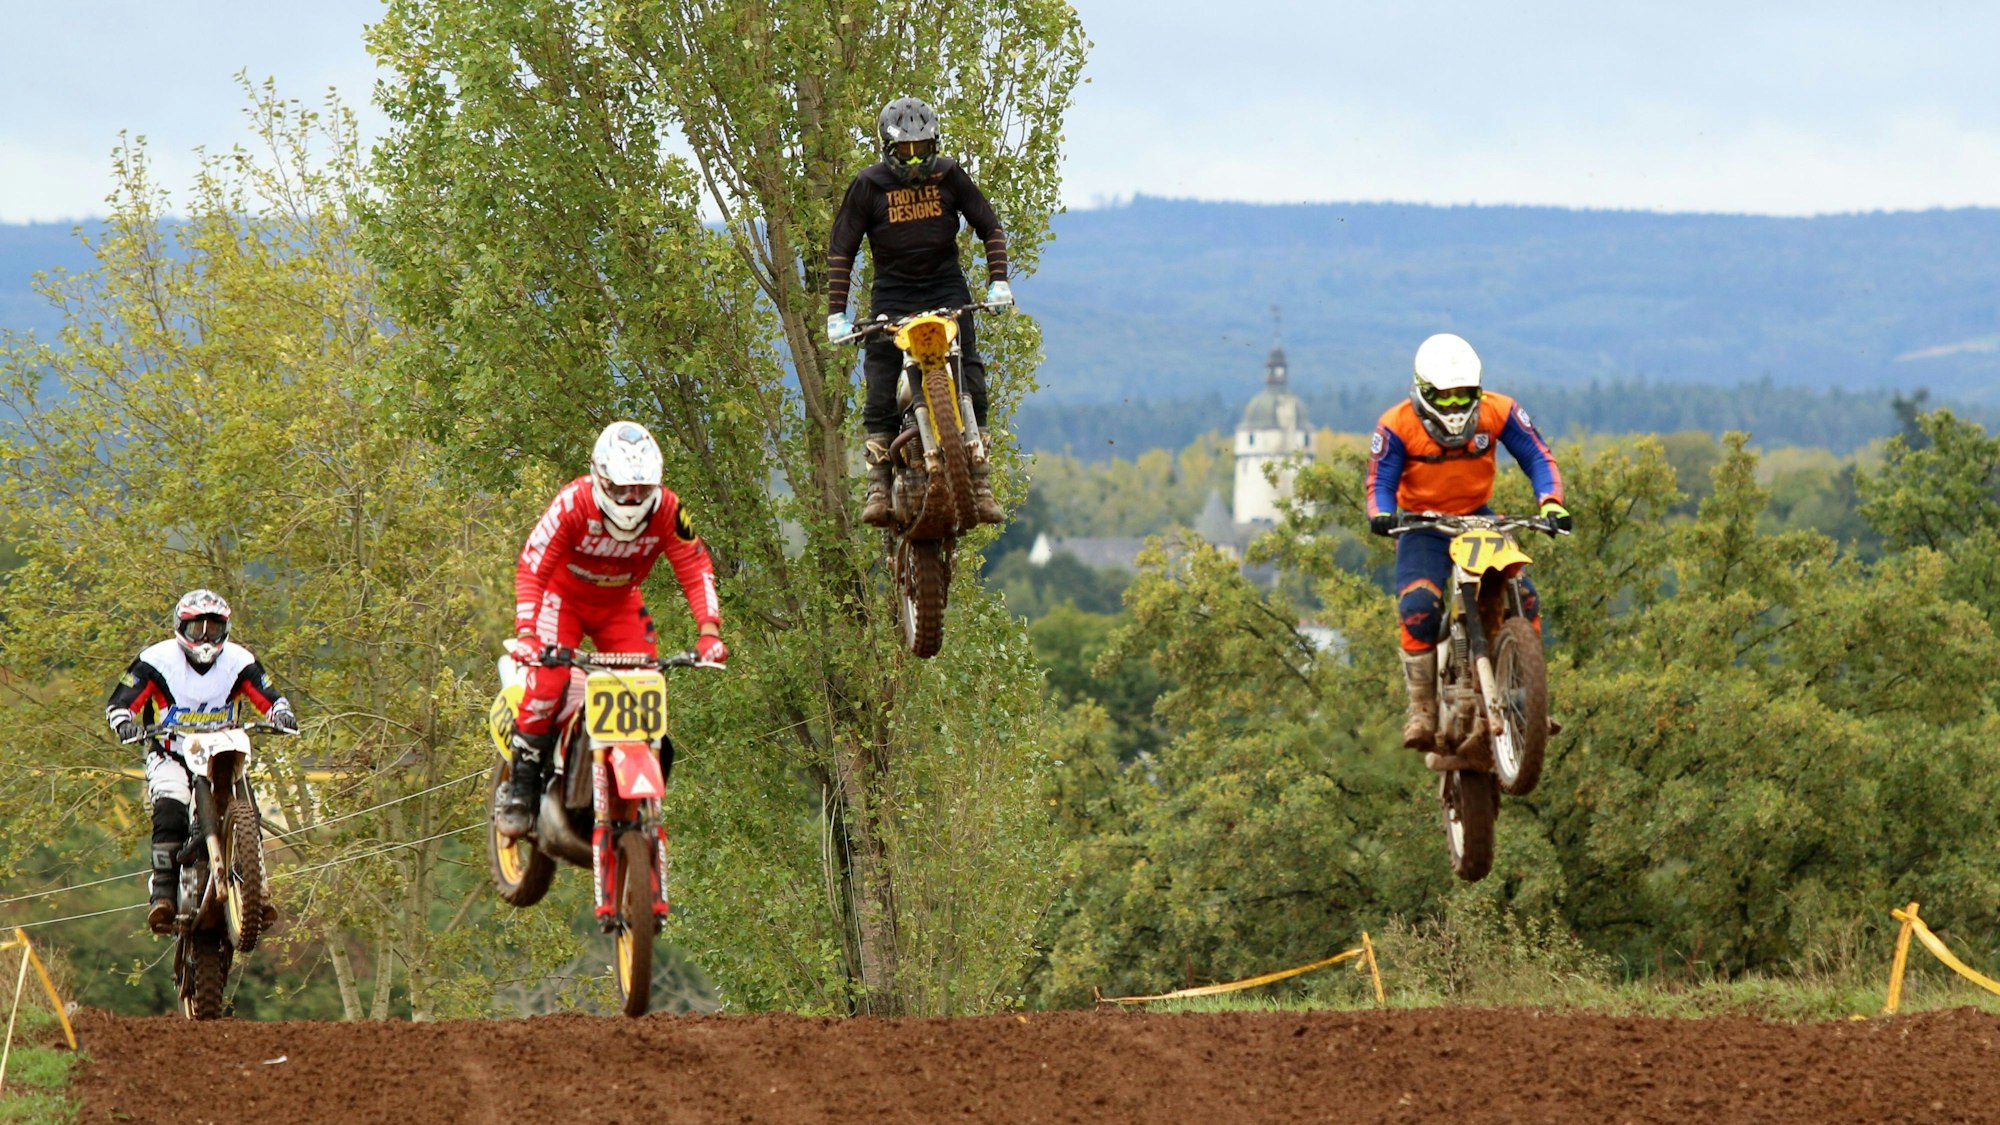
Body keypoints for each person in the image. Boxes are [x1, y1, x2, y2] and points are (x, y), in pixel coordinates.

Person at [498, 420, 729, 838]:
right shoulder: (572, 503)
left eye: (640, 489)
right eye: (622, 488)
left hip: (620, 603)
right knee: (550, 682)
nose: (631, 498)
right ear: (600, 477)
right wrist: (528, 633)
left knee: (643, 688)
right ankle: (522, 783)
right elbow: (532, 566)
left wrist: (709, 631)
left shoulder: (669, 510)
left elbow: (696, 568)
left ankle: (632, 798)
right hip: (561, 600)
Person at [1364, 333, 1572, 749]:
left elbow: (1536, 455)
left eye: (1465, 396)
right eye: (1447, 398)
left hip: (1478, 517)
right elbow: (1379, 480)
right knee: (1419, 606)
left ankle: (1527, 694)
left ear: (1478, 391)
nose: (1457, 408)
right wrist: (1381, 514)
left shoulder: (1500, 410)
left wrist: (1551, 503)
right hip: (1423, 524)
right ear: (1423, 392)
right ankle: (1421, 708)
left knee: (1525, 597)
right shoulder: (1396, 424)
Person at [825, 95, 1012, 528]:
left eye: (922, 149)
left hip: (946, 287)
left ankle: (980, 481)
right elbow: (842, 251)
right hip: (892, 295)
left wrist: (998, 280)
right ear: (887, 149)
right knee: (880, 379)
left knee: (972, 375)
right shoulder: (869, 186)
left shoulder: (949, 175)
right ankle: (877, 481)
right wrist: (837, 313)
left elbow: (990, 225)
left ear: (934, 145)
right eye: (905, 151)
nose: (914, 160)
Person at [106, 589, 297, 934]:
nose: (206, 637)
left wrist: (281, 713)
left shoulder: (240, 661)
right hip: (172, 753)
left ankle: (259, 892)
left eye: (214, 628)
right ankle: (162, 895)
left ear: (226, 629)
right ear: (182, 628)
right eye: (198, 629)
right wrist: (124, 722)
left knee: (248, 809)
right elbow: (120, 701)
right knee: (169, 809)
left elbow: (269, 695)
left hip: (222, 750)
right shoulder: (156, 660)